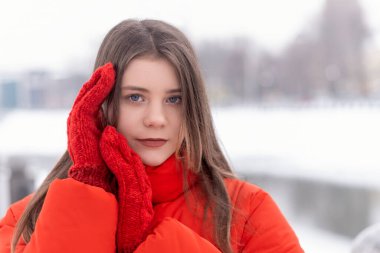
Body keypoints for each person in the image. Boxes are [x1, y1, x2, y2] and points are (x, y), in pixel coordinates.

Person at [0, 19, 304, 253]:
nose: (156, 119)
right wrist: (88, 191)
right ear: (102, 100)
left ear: (193, 107)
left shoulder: (247, 212)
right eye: (135, 98)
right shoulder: (27, 219)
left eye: (174, 99)